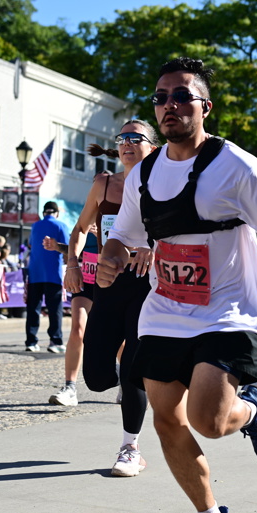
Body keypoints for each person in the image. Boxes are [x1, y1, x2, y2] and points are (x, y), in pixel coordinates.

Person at [96, 56, 257, 513]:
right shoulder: (143, 174)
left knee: (209, 421)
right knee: (166, 419)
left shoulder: (235, 166)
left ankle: (252, 410)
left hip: (229, 310)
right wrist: (110, 258)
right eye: (160, 98)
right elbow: (123, 236)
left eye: (181, 96)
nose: (169, 105)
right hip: (166, 311)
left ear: (205, 107)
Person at [60, 119, 160, 477]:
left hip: (147, 285)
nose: (127, 143)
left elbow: (182, 232)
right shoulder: (104, 183)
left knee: (132, 368)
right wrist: (72, 264)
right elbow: (80, 228)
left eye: (136, 138)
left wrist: (154, 248)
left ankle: (130, 448)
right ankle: (131, 379)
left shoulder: (164, 183)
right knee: (98, 377)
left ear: (153, 146)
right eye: (122, 138)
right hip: (107, 281)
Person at [43, 228, 98, 404]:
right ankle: (70, 388)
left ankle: (126, 384)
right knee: (78, 329)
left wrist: (104, 236)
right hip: (86, 278)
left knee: (117, 337)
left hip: (112, 278)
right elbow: (77, 249)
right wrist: (58, 246)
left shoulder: (119, 213)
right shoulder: (86, 217)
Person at [25, 201, 69, 353]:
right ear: (57, 213)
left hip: (35, 272)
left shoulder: (35, 226)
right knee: (55, 309)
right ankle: (55, 341)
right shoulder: (61, 225)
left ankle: (31, 341)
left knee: (33, 308)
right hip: (53, 273)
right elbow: (67, 248)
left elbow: (31, 244)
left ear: (44, 212)